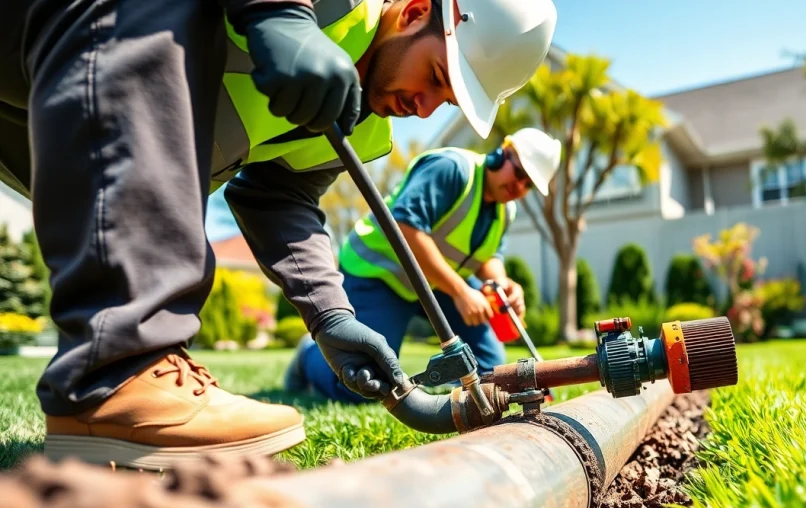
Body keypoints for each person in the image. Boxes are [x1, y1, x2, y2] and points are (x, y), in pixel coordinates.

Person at [0, 0, 556, 469]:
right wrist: (280, 14)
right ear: (413, 13)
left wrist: (331, 317)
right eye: (436, 77)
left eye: (446, 101)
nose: (425, 108)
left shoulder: (363, 124)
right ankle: (120, 374)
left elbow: (278, 198)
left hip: (42, 121)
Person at [283, 128, 560, 402]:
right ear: (502, 154)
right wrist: (460, 291)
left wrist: (502, 283)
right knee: (364, 382)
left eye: (529, 185)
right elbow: (406, 227)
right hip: (378, 273)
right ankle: (308, 357)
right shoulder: (451, 169)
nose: (519, 187)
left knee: (490, 370)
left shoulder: (505, 210)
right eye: (520, 173)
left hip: (436, 284)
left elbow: (489, 257)